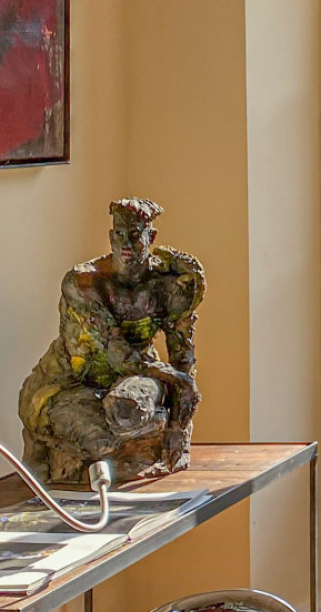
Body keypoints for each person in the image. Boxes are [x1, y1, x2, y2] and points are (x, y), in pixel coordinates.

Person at [19, 198, 205, 485]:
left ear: (151, 237)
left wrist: (179, 427)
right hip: (72, 381)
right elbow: (116, 351)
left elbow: (182, 355)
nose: (125, 244)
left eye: (134, 235)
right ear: (110, 237)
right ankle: (62, 457)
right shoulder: (83, 283)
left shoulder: (165, 287)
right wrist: (177, 379)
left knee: (126, 411)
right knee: (100, 441)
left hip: (136, 377)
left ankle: (140, 439)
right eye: (118, 234)